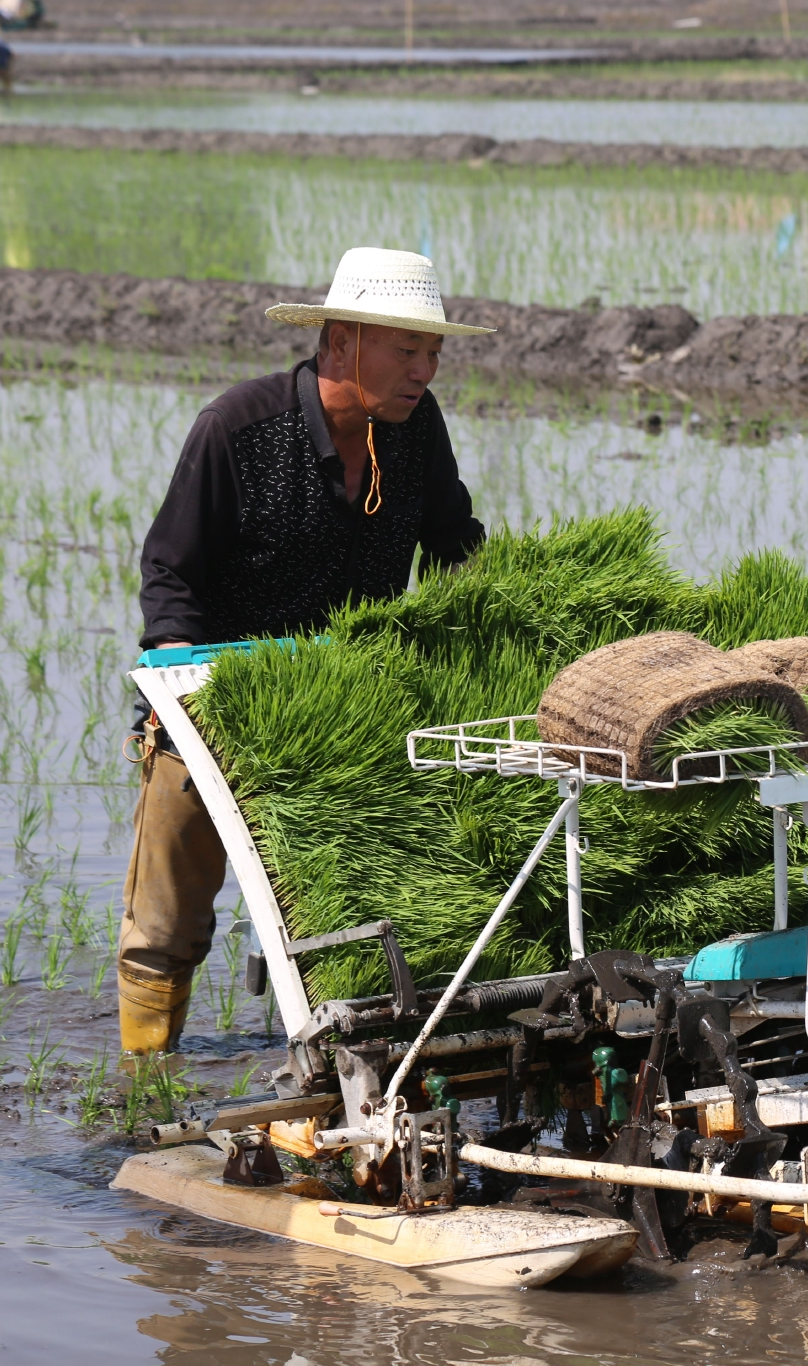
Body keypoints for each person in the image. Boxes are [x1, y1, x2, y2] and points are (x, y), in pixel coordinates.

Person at [118, 247, 492, 1056]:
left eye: (434, 353)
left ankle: (344, 1059)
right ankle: (145, 1082)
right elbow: (169, 572)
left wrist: (502, 621)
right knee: (167, 919)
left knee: (353, 906)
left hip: (348, 707)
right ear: (343, 341)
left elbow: (455, 547)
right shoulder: (237, 431)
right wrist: (183, 693)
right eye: (408, 350)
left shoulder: (415, 432)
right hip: (219, 700)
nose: (426, 370)